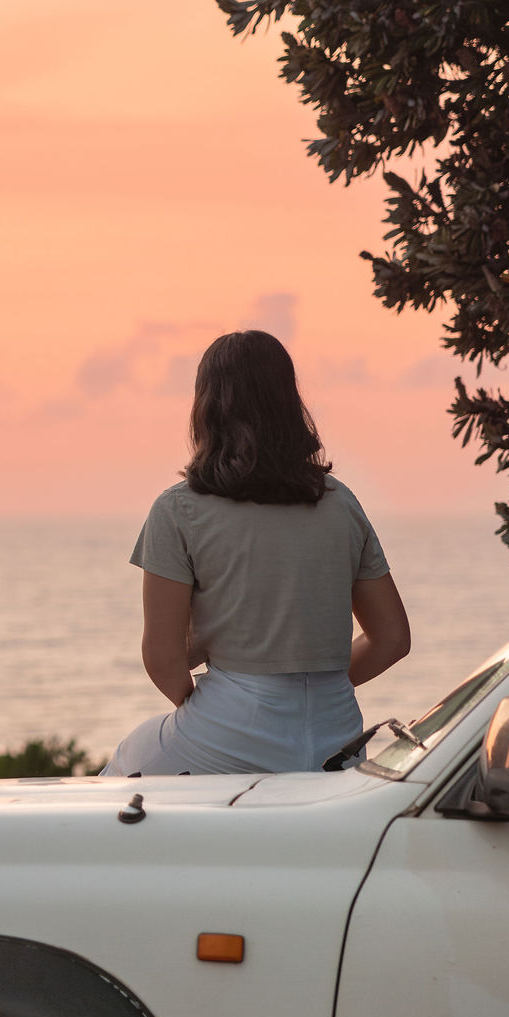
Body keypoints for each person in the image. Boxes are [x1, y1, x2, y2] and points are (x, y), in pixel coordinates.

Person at [102, 329, 412, 777]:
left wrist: (224, 711)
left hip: (232, 725)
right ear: (289, 402)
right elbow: (392, 639)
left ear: (205, 406)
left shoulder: (179, 509)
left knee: (118, 777)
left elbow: (164, 659)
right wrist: (314, 695)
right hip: (337, 733)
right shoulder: (340, 502)